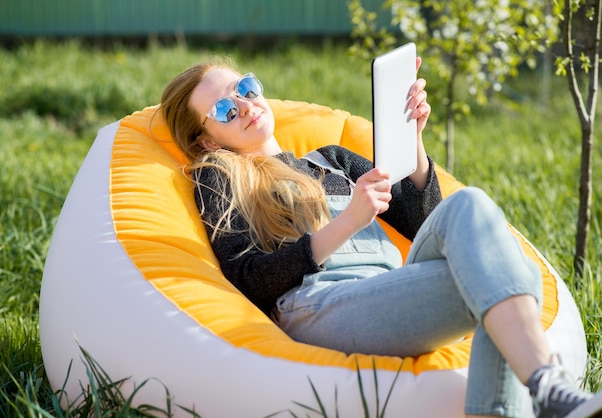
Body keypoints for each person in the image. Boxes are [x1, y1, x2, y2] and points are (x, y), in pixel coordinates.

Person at [157, 58, 602, 418]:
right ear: (209, 141)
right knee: (511, 274)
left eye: (246, 89)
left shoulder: (328, 159)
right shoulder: (220, 177)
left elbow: (422, 219)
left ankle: (541, 390)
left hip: (387, 287)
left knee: (473, 209)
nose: (245, 105)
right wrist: (347, 221)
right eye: (224, 110)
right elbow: (247, 277)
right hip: (319, 305)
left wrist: (414, 144)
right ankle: (547, 386)